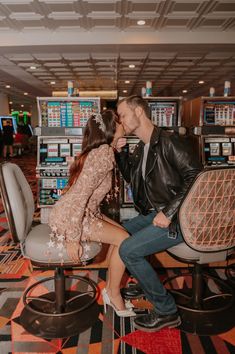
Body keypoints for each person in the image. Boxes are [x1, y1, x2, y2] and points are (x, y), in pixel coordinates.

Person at [115, 95, 203, 331]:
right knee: (116, 233)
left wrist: (169, 212)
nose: (121, 120)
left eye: (123, 115)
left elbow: (196, 177)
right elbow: (130, 179)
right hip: (155, 213)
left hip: (181, 220)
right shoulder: (143, 147)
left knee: (128, 250)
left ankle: (166, 311)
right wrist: (120, 154)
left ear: (139, 112)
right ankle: (146, 282)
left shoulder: (169, 141)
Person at [48, 109, 135, 317]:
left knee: (123, 236)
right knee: (124, 240)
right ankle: (112, 294)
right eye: (119, 122)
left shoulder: (103, 151)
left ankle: (111, 289)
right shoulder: (103, 154)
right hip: (71, 216)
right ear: (112, 129)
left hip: (84, 211)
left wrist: (115, 146)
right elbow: (79, 196)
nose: (123, 124)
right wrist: (73, 237)